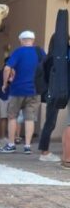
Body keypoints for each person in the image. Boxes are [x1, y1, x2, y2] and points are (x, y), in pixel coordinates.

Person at [0, 30, 46, 154]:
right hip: (35, 90)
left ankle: (11, 144)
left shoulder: (18, 52)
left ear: (21, 40)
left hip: (17, 90)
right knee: (30, 118)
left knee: (12, 116)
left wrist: (4, 83)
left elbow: (7, 68)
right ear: (33, 40)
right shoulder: (40, 52)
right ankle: (27, 146)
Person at [38, 9, 70, 163]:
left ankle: (45, 151)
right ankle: (44, 152)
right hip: (56, 91)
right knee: (50, 122)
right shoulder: (54, 59)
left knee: (50, 122)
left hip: (56, 90)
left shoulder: (51, 57)